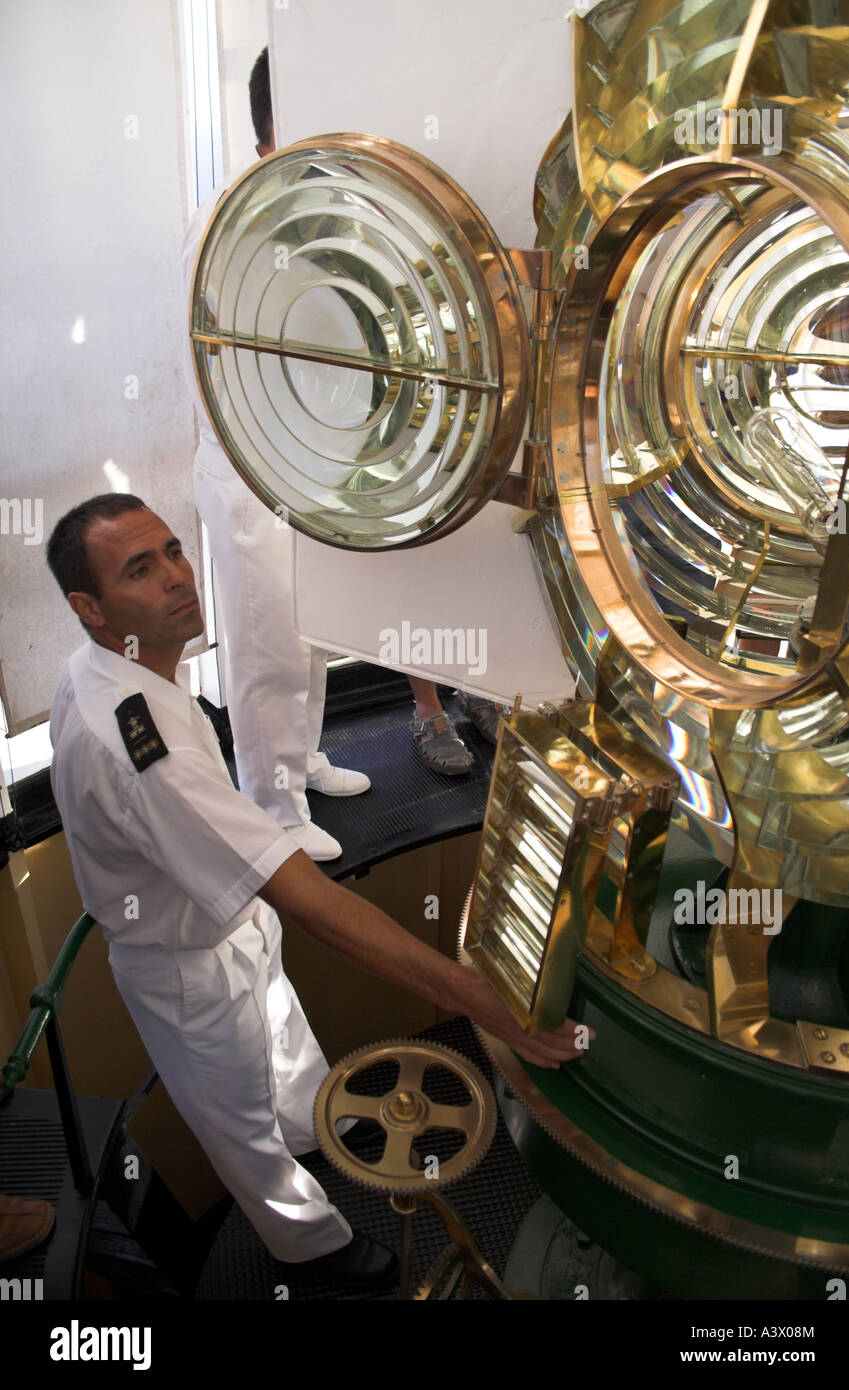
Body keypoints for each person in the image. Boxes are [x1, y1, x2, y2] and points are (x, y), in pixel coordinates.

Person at [46, 494, 582, 1289]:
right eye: (139, 569)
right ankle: (316, 1251)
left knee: (286, 1050)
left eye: (171, 551)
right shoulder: (139, 746)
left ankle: (316, 1134)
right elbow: (305, 897)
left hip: (227, 924)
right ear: (87, 608)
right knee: (241, 1133)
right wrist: (478, 999)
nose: (176, 577)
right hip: (187, 968)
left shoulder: (121, 666)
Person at [182, 49, 369, 865]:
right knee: (265, 637)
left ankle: (304, 759)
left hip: (311, 459)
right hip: (251, 461)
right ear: (277, 118)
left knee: (311, 629)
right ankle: (272, 802)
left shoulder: (316, 209)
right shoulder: (233, 215)